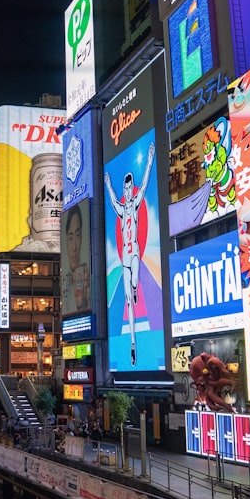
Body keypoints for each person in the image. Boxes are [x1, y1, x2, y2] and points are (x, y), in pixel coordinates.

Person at [104, 141, 156, 366]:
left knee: (134, 282)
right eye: (125, 189)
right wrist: (107, 183)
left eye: (129, 187)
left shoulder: (134, 205)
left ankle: (135, 288)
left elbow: (145, 184)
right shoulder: (120, 207)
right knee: (128, 302)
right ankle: (133, 344)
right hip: (125, 260)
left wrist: (150, 159)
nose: (127, 191)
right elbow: (112, 197)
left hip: (134, 254)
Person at [64, 207, 90, 313]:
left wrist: (83, 302)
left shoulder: (87, 278)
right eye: (70, 238)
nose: (74, 246)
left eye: (77, 236)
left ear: (82, 237)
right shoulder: (65, 280)